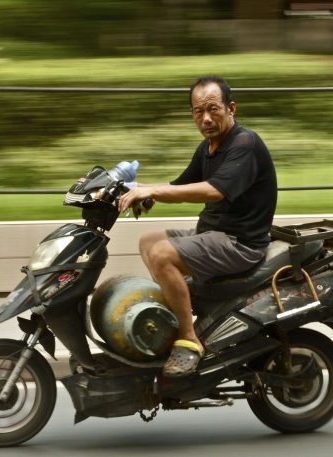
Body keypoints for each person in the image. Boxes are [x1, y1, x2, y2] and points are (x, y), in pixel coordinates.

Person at [118, 76, 277, 377]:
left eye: (213, 109)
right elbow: (181, 187)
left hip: (239, 243)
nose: (205, 118)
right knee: (147, 241)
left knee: (163, 255)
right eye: (197, 111)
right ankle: (185, 305)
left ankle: (189, 339)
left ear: (231, 108)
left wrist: (152, 190)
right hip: (214, 235)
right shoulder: (207, 148)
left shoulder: (245, 144)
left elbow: (212, 190)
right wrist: (141, 194)